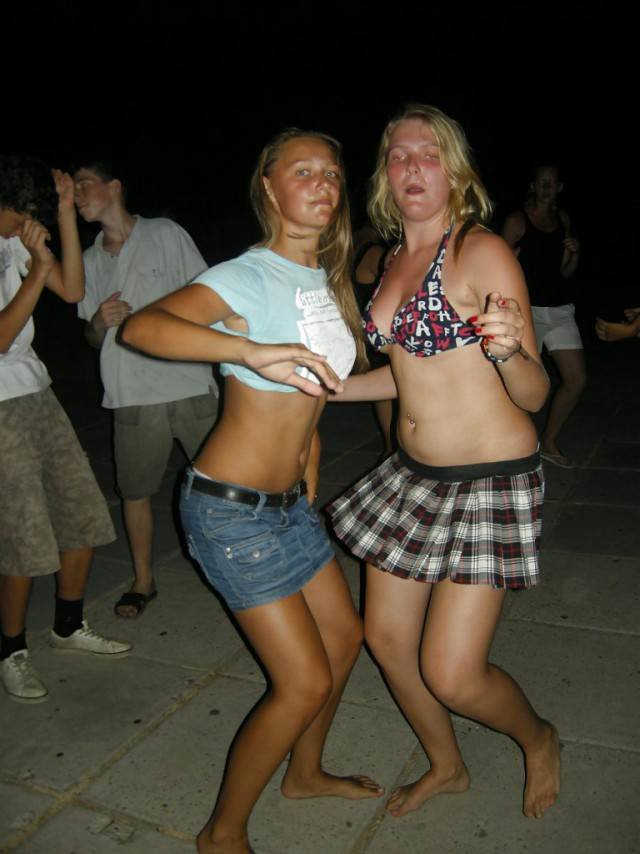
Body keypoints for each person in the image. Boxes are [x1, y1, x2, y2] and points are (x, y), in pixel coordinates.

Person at [121, 129, 382, 853]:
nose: (323, 183)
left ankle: (305, 772)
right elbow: (144, 327)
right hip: (230, 510)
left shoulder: (325, 280)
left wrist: (311, 449)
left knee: (346, 638)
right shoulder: (247, 275)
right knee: (303, 682)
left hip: (288, 507)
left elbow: (314, 388)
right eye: (303, 171)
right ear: (268, 186)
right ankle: (222, 833)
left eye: (332, 172)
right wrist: (246, 349)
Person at [327, 105, 560, 821]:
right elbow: (406, 375)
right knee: (387, 640)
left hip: (487, 481)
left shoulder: (480, 252)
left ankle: (539, 737)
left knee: (453, 673)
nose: (412, 166)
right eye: (398, 155)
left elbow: (534, 392)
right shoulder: (391, 258)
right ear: (384, 175)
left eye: (428, 153)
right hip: (412, 477)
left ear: (454, 170)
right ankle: (447, 764)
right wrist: (327, 386)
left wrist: (509, 351)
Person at [0, 156, 129, 704]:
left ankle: (69, 625)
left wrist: (65, 217)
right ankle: (10, 651)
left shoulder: (14, 242)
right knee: (24, 533)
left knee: (81, 510)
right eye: (23, 212)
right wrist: (35, 271)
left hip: (36, 392)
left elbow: (73, 291)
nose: (29, 222)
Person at [74, 164, 219, 618]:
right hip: (131, 391)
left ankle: (230, 570)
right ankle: (142, 581)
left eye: (83, 184)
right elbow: (91, 338)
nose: (77, 195)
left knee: (222, 483)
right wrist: (98, 322)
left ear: (114, 186)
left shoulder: (165, 233)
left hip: (189, 381)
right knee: (134, 491)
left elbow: (209, 295)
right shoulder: (88, 260)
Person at [502, 165, 584, 468]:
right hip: (527, 311)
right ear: (533, 186)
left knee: (576, 379)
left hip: (560, 309)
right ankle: (509, 445)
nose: (547, 188)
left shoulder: (563, 219)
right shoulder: (518, 220)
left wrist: (574, 254)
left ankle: (548, 442)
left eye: (552, 183)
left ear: (559, 187)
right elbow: (494, 264)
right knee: (522, 384)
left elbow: (565, 272)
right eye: (542, 183)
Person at [352, 225, 394, 456]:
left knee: (387, 412)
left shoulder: (353, 252)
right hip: (380, 339)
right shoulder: (376, 252)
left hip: (369, 336)